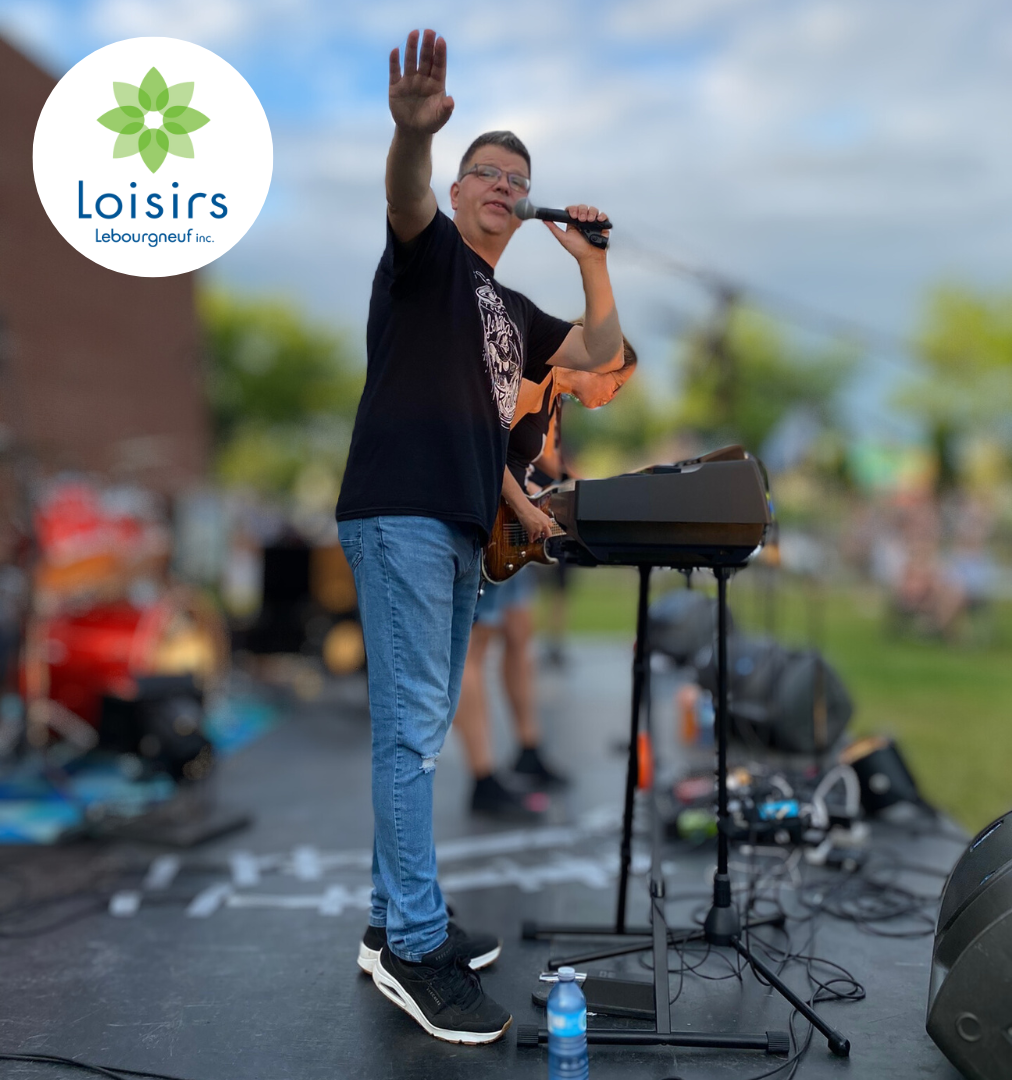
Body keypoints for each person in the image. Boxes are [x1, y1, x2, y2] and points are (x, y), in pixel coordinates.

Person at [334, 29, 624, 1045]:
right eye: (486, 172)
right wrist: (411, 133)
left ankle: (390, 923)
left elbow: (598, 349)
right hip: (401, 510)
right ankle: (415, 944)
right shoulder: (430, 258)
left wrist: (590, 262)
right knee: (414, 731)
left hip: (459, 522)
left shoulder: (510, 306)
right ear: (458, 192)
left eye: (519, 177)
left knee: (418, 724)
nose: (503, 184)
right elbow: (403, 192)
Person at [455, 344, 638, 819]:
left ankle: (528, 749)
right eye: (615, 383)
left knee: (519, 635)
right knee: (474, 651)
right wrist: (523, 504)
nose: (614, 395)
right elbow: (484, 449)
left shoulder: (554, 399)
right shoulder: (531, 383)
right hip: (493, 526)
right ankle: (482, 776)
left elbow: (546, 469)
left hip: (517, 528)